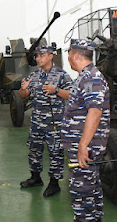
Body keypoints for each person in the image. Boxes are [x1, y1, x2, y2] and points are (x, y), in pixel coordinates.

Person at [62, 39, 110, 222]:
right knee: (91, 191)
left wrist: (83, 145)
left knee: (82, 193)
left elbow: (95, 112)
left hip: (85, 148)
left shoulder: (91, 77)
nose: (68, 58)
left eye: (69, 54)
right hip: (84, 147)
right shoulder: (85, 76)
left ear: (75, 55)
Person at [18, 45, 73, 197]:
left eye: (42, 55)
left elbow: (72, 95)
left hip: (54, 123)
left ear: (50, 56)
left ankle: (54, 183)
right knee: (34, 150)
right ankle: (35, 178)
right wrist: (23, 89)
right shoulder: (34, 76)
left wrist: (55, 90)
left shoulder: (62, 75)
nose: (38, 58)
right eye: (37, 56)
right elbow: (23, 95)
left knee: (55, 152)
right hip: (37, 122)